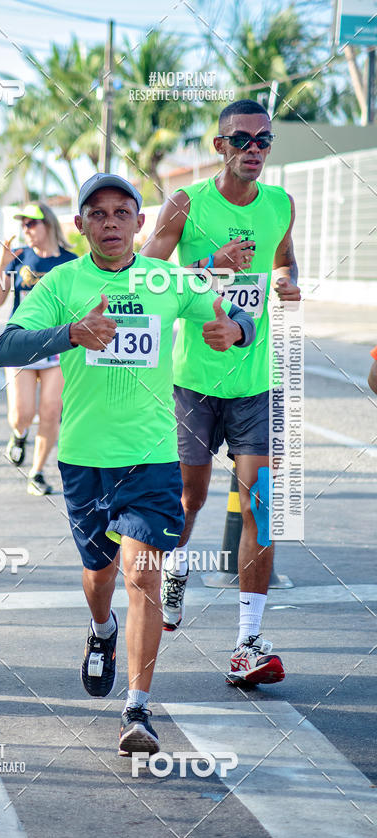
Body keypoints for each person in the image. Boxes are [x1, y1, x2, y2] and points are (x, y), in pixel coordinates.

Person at [0, 173, 255, 754]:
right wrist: (71, 333)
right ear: (81, 224)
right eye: (98, 214)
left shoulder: (166, 280)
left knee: (143, 576)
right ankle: (100, 630)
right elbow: (4, 347)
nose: (110, 223)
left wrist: (235, 329)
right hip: (85, 459)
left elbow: (239, 314)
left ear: (141, 223)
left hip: (152, 457)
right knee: (100, 575)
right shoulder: (62, 282)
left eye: (122, 212)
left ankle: (136, 710)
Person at [141, 99, 300, 686]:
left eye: (264, 140)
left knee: (261, 504)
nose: (254, 149)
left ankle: (248, 643)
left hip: (255, 380)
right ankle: (177, 568)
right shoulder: (187, 203)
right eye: (242, 140)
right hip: (193, 381)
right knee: (189, 499)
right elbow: (144, 275)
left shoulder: (281, 204)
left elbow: (285, 263)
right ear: (219, 146)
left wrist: (287, 285)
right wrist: (210, 264)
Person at [0, 202, 76, 495]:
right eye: (23, 224)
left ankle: (37, 473)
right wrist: (1, 263)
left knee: (51, 411)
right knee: (21, 413)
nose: (26, 229)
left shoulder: (70, 261)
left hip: (56, 346)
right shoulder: (19, 258)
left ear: (48, 225)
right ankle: (19, 434)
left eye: (31, 223)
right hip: (23, 344)